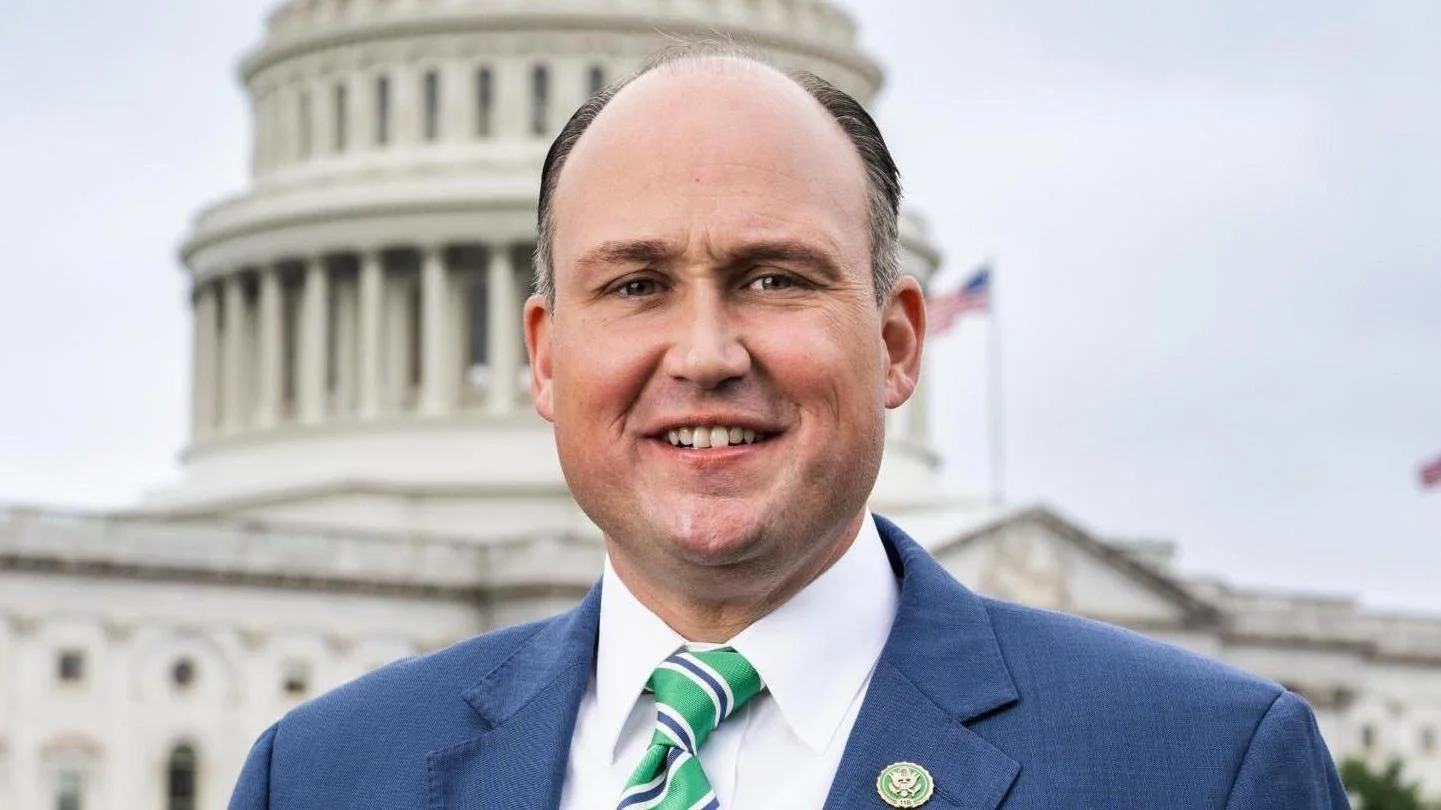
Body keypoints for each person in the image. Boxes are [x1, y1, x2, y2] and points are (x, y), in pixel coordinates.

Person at [229, 46, 1349, 809]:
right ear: (546, 357)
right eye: (634, 286)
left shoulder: (1200, 769)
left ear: (899, 342)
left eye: (773, 278)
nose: (707, 354)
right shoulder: (328, 775)